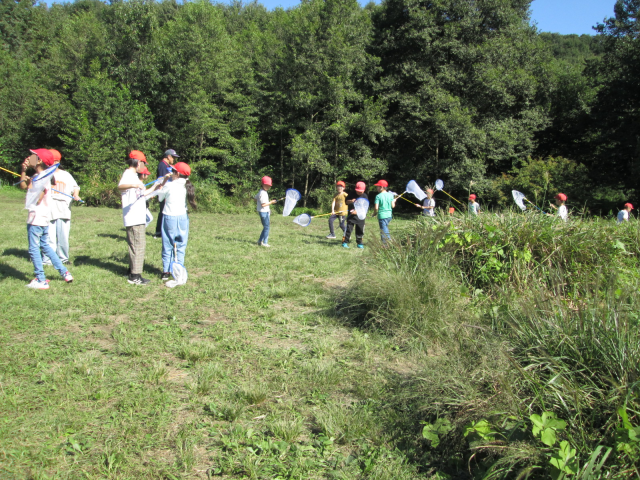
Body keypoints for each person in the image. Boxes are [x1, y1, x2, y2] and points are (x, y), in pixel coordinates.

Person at [19, 149, 74, 289]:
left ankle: (41, 279)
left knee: (33, 249)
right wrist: (24, 172)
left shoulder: (40, 178)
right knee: (45, 246)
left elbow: (35, 198)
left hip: (36, 218)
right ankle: (65, 272)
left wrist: (32, 186)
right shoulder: (43, 176)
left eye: (33, 156)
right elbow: (23, 186)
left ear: (39, 161)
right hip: (44, 217)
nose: (29, 157)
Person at [119, 150, 162, 285]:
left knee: (135, 245)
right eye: (143, 163)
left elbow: (142, 194)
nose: (144, 167)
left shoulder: (134, 176)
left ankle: (132, 271)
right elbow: (120, 187)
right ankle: (135, 277)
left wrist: (156, 187)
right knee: (139, 245)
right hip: (134, 217)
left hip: (137, 216)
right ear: (138, 163)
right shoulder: (129, 174)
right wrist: (134, 184)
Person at [155, 162, 197, 281]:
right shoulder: (187, 185)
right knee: (181, 244)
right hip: (183, 217)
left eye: (173, 171)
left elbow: (160, 198)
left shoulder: (170, 185)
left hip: (169, 217)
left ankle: (166, 271)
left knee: (167, 243)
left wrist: (162, 183)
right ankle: (179, 268)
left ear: (177, 173)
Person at [42, 149, 80, 266]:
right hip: (49, 207)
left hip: (63, 208)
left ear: (57, 161)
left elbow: (75, 187)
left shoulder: (65, 174)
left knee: (63, 235)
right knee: (49, 235)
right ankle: (48, 260)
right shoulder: (44, 174)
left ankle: (63, 258)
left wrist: (75, 194)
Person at [154, 149, 179, 238]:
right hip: (164, 193)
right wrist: (163, 194)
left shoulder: (167, 165)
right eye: (174, 157)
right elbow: (162, 180)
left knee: (164, 211)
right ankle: (159, 232)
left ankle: (161, 232)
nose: (174, 159)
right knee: (163, 212)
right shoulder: (162, 165)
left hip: (167, 192)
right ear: (168, 156)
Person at [342, 181, 368, 249]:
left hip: (360, 217)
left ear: (364, 190)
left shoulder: (365, 196)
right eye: (358, 191)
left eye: (361, 191)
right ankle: (345, 242)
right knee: (348, 229)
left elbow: (365, 207)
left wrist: (357, 211)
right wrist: (351, 201)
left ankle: (359, 243)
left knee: (360, 230)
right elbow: (346, 202)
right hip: (351, 217)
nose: (359, 192)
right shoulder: (351, 194)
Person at [255, 176, 277, 247]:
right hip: (264, 212)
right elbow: (263, 204)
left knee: (265, 227)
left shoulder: (261, 192)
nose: (268, 187)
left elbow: (255, 198)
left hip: (264, 212)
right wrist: (271, 202)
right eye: (266, 185)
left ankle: (259, 241)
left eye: (269, 185)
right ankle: (265, 243)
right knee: (267, 227)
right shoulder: (263, 193)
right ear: (262, 184)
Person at [373, 179, 396, 243]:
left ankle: (386, 244)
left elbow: (376, 207)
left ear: (382, 187)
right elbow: (393, 206)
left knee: (383, 230)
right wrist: (394, 201)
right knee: (385, 228)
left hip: (382, 215)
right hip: (389, 215)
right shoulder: (391, 195)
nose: (376, 188)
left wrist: (374, 213)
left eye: (377, 186)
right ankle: (387, 242)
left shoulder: (378, 196)